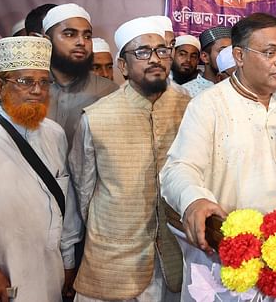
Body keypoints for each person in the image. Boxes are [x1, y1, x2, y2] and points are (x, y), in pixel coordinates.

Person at [161, 13, 276, 255]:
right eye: (270, 53)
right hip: (235, 253)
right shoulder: (209, 105)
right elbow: (179, 167)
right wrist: (194, 199)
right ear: (239, 56)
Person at [70, 17, 189, 301]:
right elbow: (82, 192)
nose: (155, 59)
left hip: (175, 257)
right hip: (113, 259)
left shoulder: (190, 109)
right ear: (122, 65)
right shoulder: (97, 117)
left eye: (162, 51)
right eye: (142, 52)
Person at [0, 36, 82, 300]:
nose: (37, 90)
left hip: (52, 276)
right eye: (25, 81)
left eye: (43, 82)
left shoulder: (55, 134)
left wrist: (69, 263)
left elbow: (67, 206)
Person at [42, 3, 119, 151]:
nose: (81, 42)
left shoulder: (109, 92)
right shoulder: (30, 88)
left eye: (87, 36)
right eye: (70, 34)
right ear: (47, 41)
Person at [182, 26, 231, 97]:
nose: (230, 56)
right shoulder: (186, 92)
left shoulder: (240, 89)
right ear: (205, 57)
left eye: (231, 51)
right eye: (223, 51)